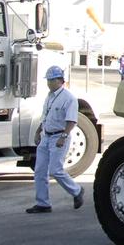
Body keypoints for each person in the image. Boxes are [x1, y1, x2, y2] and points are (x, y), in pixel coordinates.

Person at [26, 65, 85, 214]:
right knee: (40, 171)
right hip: (46, 137)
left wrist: (64, 136)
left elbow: (71, 121)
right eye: (48, 80)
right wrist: (38, 131)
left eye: (51, 80)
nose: (48, 83)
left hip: (59, 136)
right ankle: (43, 203)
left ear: (60, 80)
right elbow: (45, 116)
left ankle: (77, 191)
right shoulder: (49, 96)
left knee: (55, 170)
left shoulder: (69, 98)